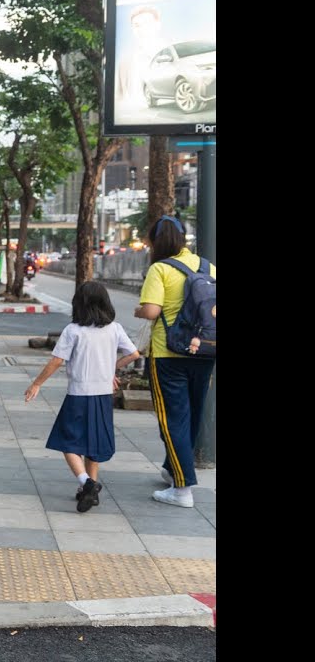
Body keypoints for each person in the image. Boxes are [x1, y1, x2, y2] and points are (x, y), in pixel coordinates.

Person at [24, 282, 141, 513]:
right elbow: (134, 354)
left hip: (79, 394)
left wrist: (37, 383)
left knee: (67, 440)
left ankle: (87, 483)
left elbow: (57, 361)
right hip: (103, 396)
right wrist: (111, 370)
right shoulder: (115, 328)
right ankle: (89, 491)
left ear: (79, 303)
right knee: (93, 443)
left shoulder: (73, 330)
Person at [134, 215, 216, 508]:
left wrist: (139, 310)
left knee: (172, 420)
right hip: (204, 352)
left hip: (168, 355)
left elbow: (152, 310)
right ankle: (173, 470)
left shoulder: (160, 269)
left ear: (156, 241)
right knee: (191, 417)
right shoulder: (208, 266)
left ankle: (182, 490)